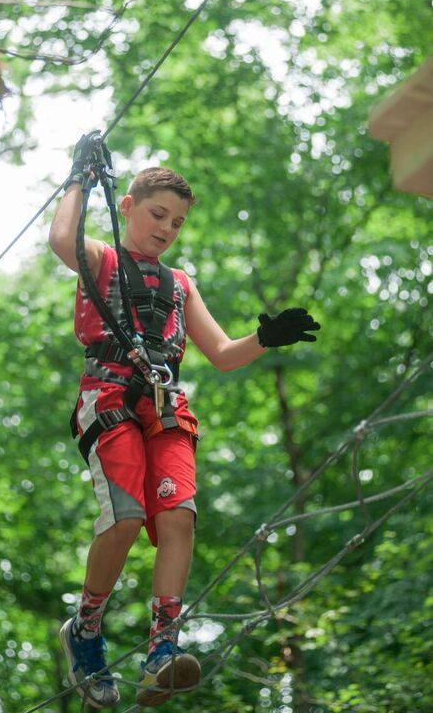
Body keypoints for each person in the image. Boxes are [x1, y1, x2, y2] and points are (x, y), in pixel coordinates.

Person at [48, 132, 321, 709]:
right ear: (127, 209)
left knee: (178, 518)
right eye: (157, 214)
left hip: (166, 405)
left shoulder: (179, 284)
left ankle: (162, 650)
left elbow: (221, 353)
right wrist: (79, 178)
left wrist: (265, 338)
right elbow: (60, 239)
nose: (167, 228)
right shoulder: (102, 256)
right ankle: (87, 628)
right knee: (124, 518)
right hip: (111, 394)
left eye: (177, 221)